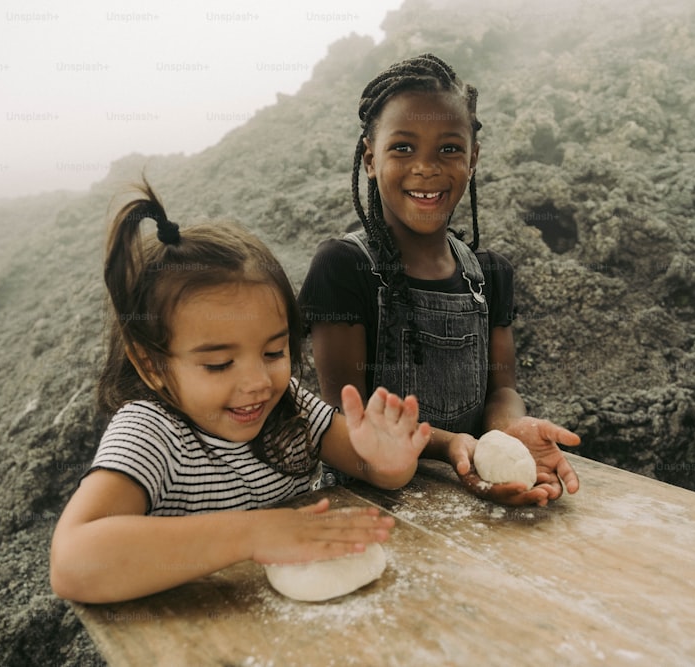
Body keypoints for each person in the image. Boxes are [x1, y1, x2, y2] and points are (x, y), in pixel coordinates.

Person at [50, 182, 430, 604]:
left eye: (273, 351)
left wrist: (388, 461)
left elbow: (373, 469)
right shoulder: (150, 432)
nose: (258, 382)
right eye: (218, 364)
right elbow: (73, 565)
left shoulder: (288, 404)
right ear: (152, 365)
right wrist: (255, 534)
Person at [298, 54, 580, 507]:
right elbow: (349, 420)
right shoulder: (343, 268)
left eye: (449, 148)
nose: (426, 167)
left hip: (470, 493)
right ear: (370, 159)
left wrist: (508, 435)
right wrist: (452, 446)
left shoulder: (489, 274)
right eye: (403, 148)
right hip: (367, 502)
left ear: (473, 158)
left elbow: (502, 389)